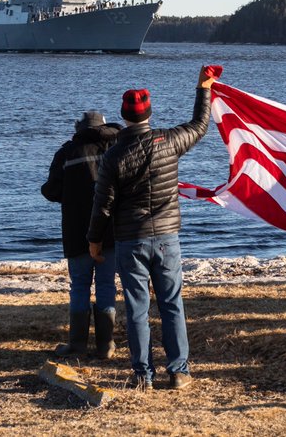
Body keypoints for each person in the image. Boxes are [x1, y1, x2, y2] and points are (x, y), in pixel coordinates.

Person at [88, 66, 216, 390]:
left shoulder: (113, 156)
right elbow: (200, 125)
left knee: (137, 309)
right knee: (172, 302)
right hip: (167, 237)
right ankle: (179, 372)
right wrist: (204, 87)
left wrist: (94, 241)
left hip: (131, 240)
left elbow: (102, 205)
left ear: (123, 115)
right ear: (149, 112)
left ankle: (143, 374)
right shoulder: (169, 141)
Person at [41, 111, 122, 358]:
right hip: (110, 230)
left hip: (77, 231)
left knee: (79, 286)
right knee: (107, 285)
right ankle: (106, 345)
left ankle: (77, 345)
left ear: (78, 128)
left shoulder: (67, 153)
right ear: (104, 126)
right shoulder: (116, 148)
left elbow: (51, 191)